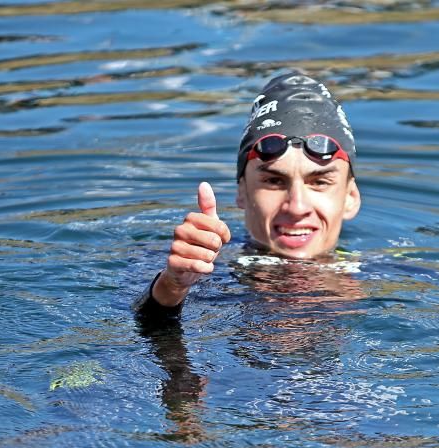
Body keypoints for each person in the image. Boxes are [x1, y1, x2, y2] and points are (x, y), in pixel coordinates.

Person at [134, 72, 361, 320]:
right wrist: (171, 289)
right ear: (241, 191)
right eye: (274, 181)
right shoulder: (187, 269)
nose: (297, 207)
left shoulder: (396, 276)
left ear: (350, 196)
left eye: (319, 182)